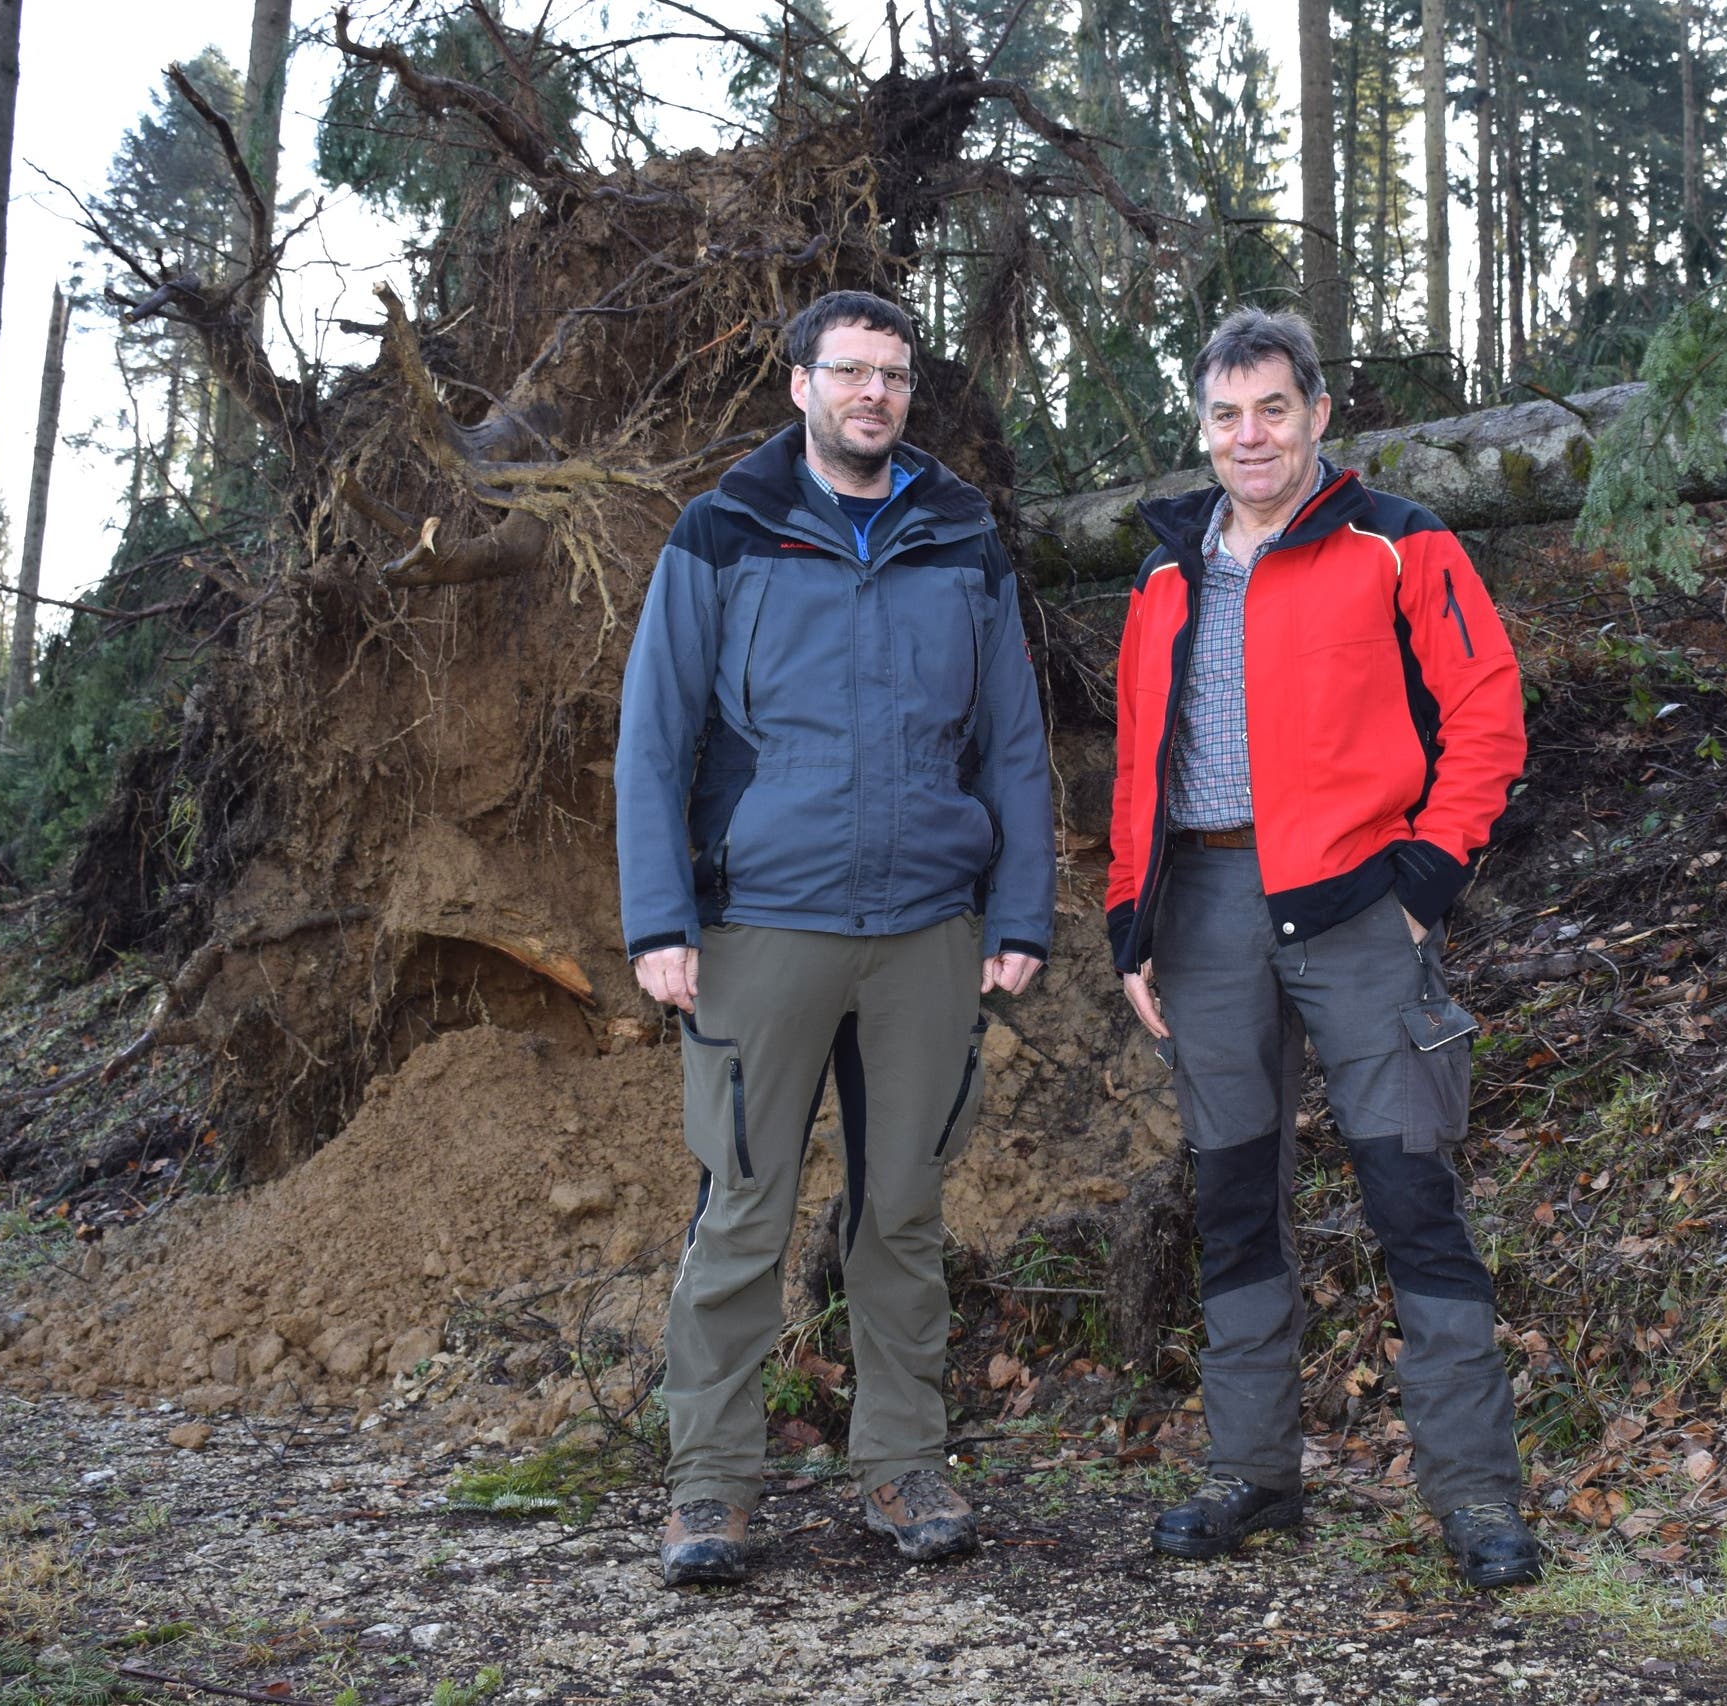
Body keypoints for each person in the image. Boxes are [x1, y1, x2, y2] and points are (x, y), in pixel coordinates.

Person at [615, 289, 1053, 1586]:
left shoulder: (960, 536)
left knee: (905, 1210)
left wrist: (1019, 908)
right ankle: (711, 1487)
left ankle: (904, 1462)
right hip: (760, 931)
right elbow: (654, 735)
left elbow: (1013, 743)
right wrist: (660, 919)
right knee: (742, 1209)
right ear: (800, 383)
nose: (875, 394)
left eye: (895, 376)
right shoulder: (724, 532)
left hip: (927, 931)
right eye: (851, 371)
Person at [1106, 307, 1543, 1588]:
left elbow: (1488, 713)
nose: (1252, 435)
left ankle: (1475, 1495)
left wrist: (1427, 879)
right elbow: (1145, 759)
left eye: (1274, 409)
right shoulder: (1167, 571)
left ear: (1316, 414)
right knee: (1237, 1199)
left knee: (1413, 1194)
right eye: (1227, 415)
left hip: (1361, 908)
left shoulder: (1399, 544)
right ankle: (1253, 1476)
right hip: (1204, 913)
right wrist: (1135, 915)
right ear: (1204, 428)